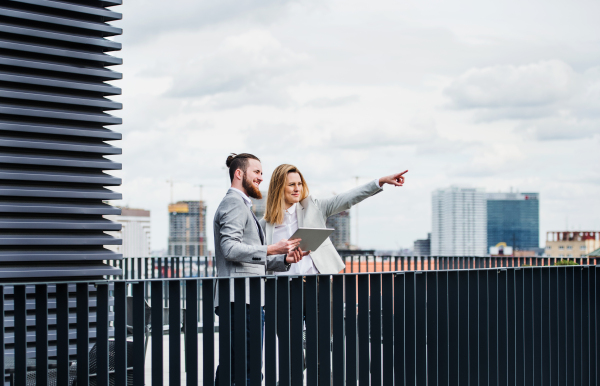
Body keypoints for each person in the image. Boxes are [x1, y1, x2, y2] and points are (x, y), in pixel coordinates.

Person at [213, 153, 309, 386]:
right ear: (239, 174)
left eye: (261, 173)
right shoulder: (234, 203)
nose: (260, 177)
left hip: (242, 298)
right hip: (241, 299)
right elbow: (229, 248)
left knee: (232, 367)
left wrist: (284, 259)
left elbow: (252, 260)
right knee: (249, 369)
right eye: (256, 172)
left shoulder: (242, 204)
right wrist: (270, 248)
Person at [259, 164, 408, 275]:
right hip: (282, 290)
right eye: (291, 185)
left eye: (299, 184)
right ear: (279, 188)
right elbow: (257, 259)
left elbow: (346, 199)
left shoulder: (314, 207)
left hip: (317, 284)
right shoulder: (264, 225)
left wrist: (380, 182)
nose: (297, 188)